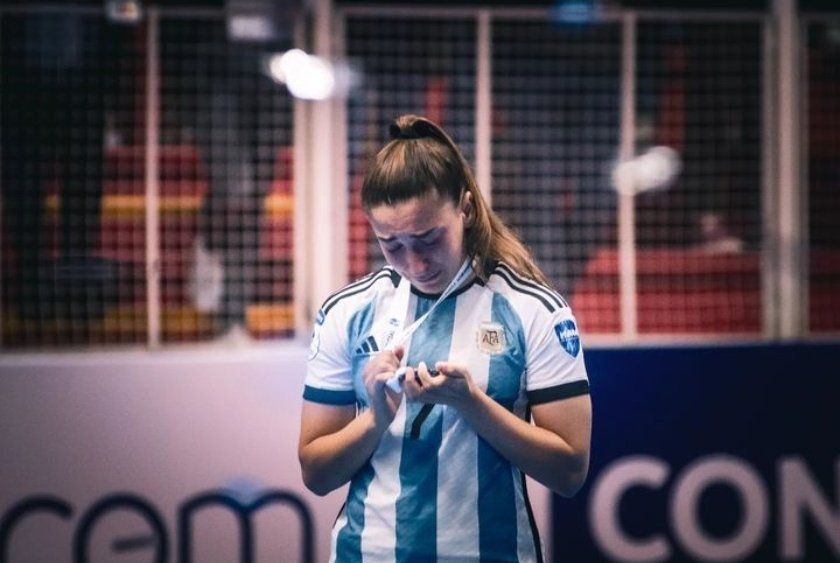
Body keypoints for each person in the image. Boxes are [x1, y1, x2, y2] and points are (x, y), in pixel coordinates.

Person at [299, 115, 592, 562]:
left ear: (466, 209)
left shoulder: (536, 310)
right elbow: (316, 473)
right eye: (391, 244)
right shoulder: (347, 312)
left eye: (428, 238)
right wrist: (375, 417)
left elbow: (570, 472)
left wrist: (471, 403)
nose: (414, 262)